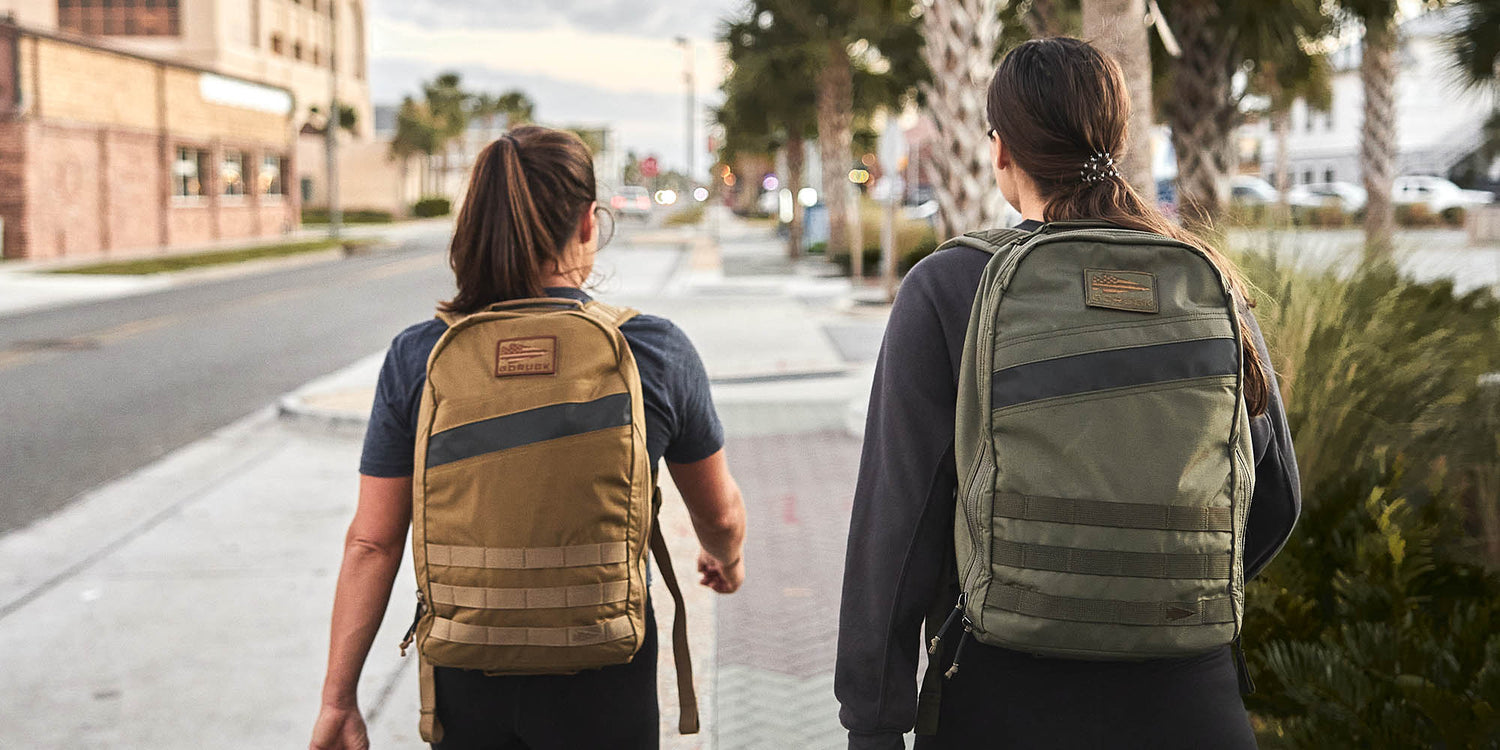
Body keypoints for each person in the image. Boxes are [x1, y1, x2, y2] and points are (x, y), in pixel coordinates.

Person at [835, 38, 1300, 749]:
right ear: (1117, 140)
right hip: (1190, 701)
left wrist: (873, 721)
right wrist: (1158, 600)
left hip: (1004, 696)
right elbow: (1275, 497)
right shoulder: (1209, 282)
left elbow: (895, 528)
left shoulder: (948, 287)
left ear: (1001, 151)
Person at [310, 125, 748, 750]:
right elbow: (721, 513)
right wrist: (725, 559)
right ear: (589, 225)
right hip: (606, 680)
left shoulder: (420, 356)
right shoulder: (652, 350)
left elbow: (372, 543)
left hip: (468, 678)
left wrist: (338, 698)